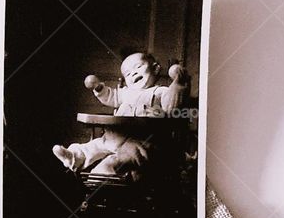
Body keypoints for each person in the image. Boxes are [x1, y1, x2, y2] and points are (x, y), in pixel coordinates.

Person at [52, 53, 188, 181]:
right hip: (114, 136)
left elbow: (171, 105)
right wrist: (99, 88)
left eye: (139, 67)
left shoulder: (159, 91)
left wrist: (177, 85)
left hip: (140, 141)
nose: (133, 73)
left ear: (156, 69)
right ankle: (74, 156)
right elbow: (111, 96)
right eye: (128, 74)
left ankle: (102, 176)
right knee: (93, 146)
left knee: (117, 160)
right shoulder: (125, 93)